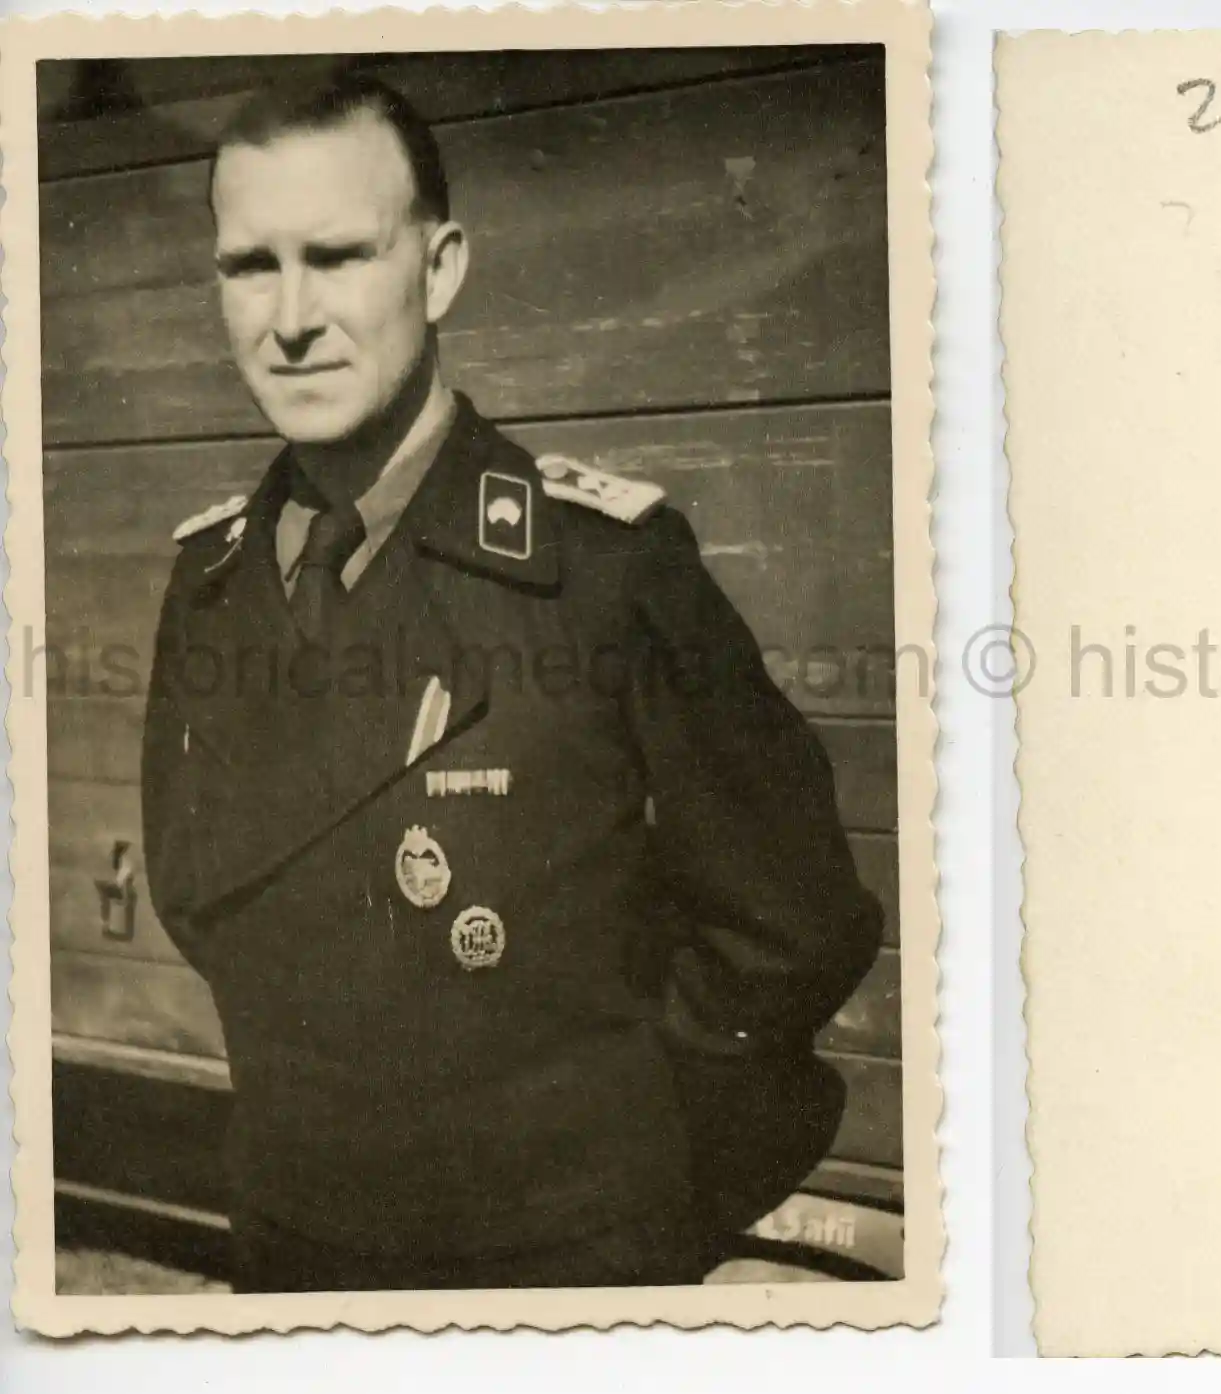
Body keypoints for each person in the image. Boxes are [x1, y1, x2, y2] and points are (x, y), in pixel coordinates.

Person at [139, 73, 883, 1291]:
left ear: (438, 271)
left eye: (336, 256)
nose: (289, 318)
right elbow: (196, 891)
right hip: (291, 1246)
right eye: (248, 265)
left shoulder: (603, 569)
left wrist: (618, 1169)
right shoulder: (210, 578)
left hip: (553, 1262)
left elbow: (790, 924)